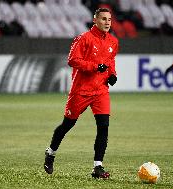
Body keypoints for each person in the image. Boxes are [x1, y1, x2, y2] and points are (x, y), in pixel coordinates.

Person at [44, 8, 118, 179]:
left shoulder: (113, 41)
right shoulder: (83, 39)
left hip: (100, 90)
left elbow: (110, 60)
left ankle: (97, 167)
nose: (107, 22)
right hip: (81, 90)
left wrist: (112, 74)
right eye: (104, 19)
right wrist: (94, 66)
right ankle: (51, 152)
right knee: (67, 125)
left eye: (109, 19)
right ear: (95, 20)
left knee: (104, 126)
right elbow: (72, 60)